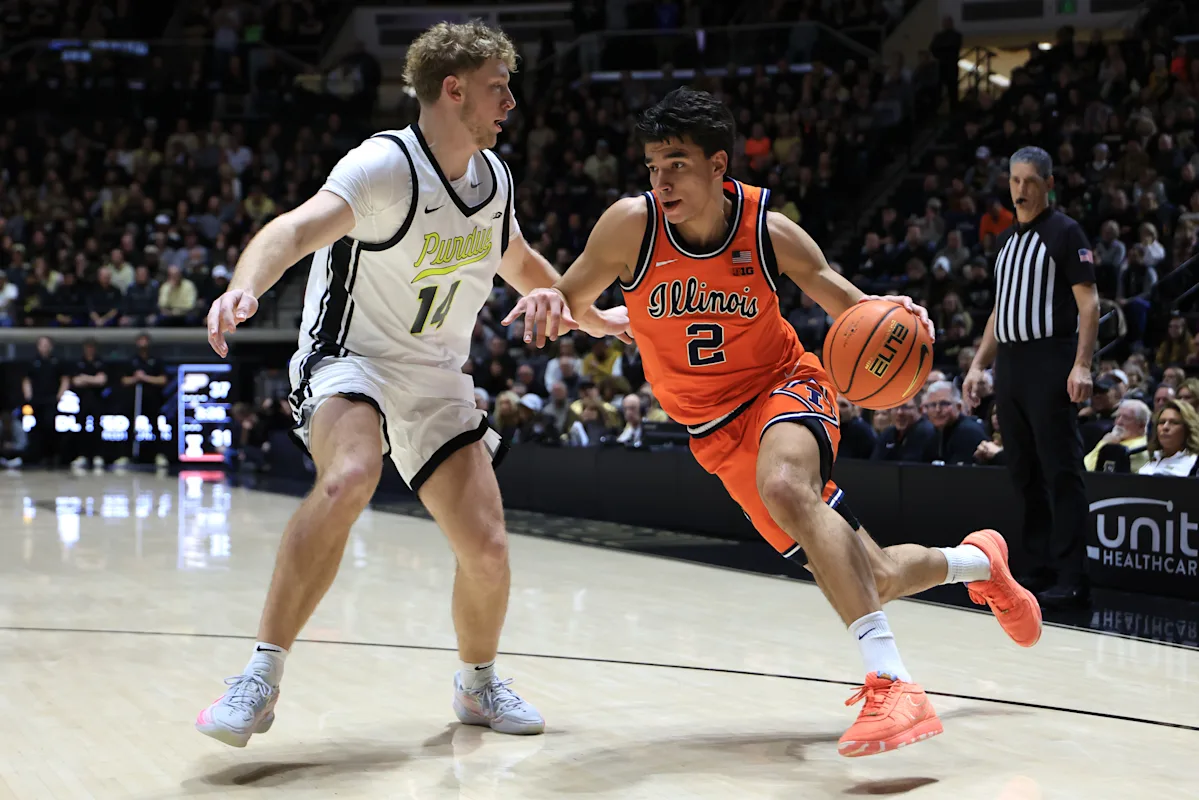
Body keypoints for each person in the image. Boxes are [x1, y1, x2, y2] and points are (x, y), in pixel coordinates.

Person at [505, 88, 1041, 758]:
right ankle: (978, 562)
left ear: (717, 164)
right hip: (713, 432)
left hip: (783, 387)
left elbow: (849, 304)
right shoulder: (629, 226)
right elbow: (570, 293)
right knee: (869, 576)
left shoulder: (766, 229)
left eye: (677, 164)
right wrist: (569, 307)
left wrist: (896, 314)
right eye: (652, 166)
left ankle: (892, 683)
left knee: (786, 485)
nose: (661, 181)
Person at [196, 20, 628, 747]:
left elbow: (520, 262)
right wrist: (245, 285)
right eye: (497, 88)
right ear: (453, 90)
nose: (510, 103)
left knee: (487, 549)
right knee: (350, 476)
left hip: (435, 377)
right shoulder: (383, 166)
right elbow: (293, 231)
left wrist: (590, 316)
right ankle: (259, 679)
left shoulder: (493, 179)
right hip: (351, 357)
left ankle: (477, 686)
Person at [963, 146, 1099, 610]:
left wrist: (1082, 364)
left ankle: (1072, 576)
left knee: (1060, 468)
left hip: (1050, 357)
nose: (1021, 190)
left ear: (1048, 184)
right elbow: (1000, 311)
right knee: (1023, 470)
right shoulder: (1006, 240)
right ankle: (1038, 566)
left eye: (1030, 181)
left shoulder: (1066, 232)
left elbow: (1089, 304)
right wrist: (978, 365)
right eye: (1015, 180)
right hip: (1012, 364)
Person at [1139, 398, 1199, 476]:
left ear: (1187, 429)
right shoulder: (1152, 460)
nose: (1165, 427)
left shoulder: (1194, 463)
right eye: (1162, 422)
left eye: (1174, 422)